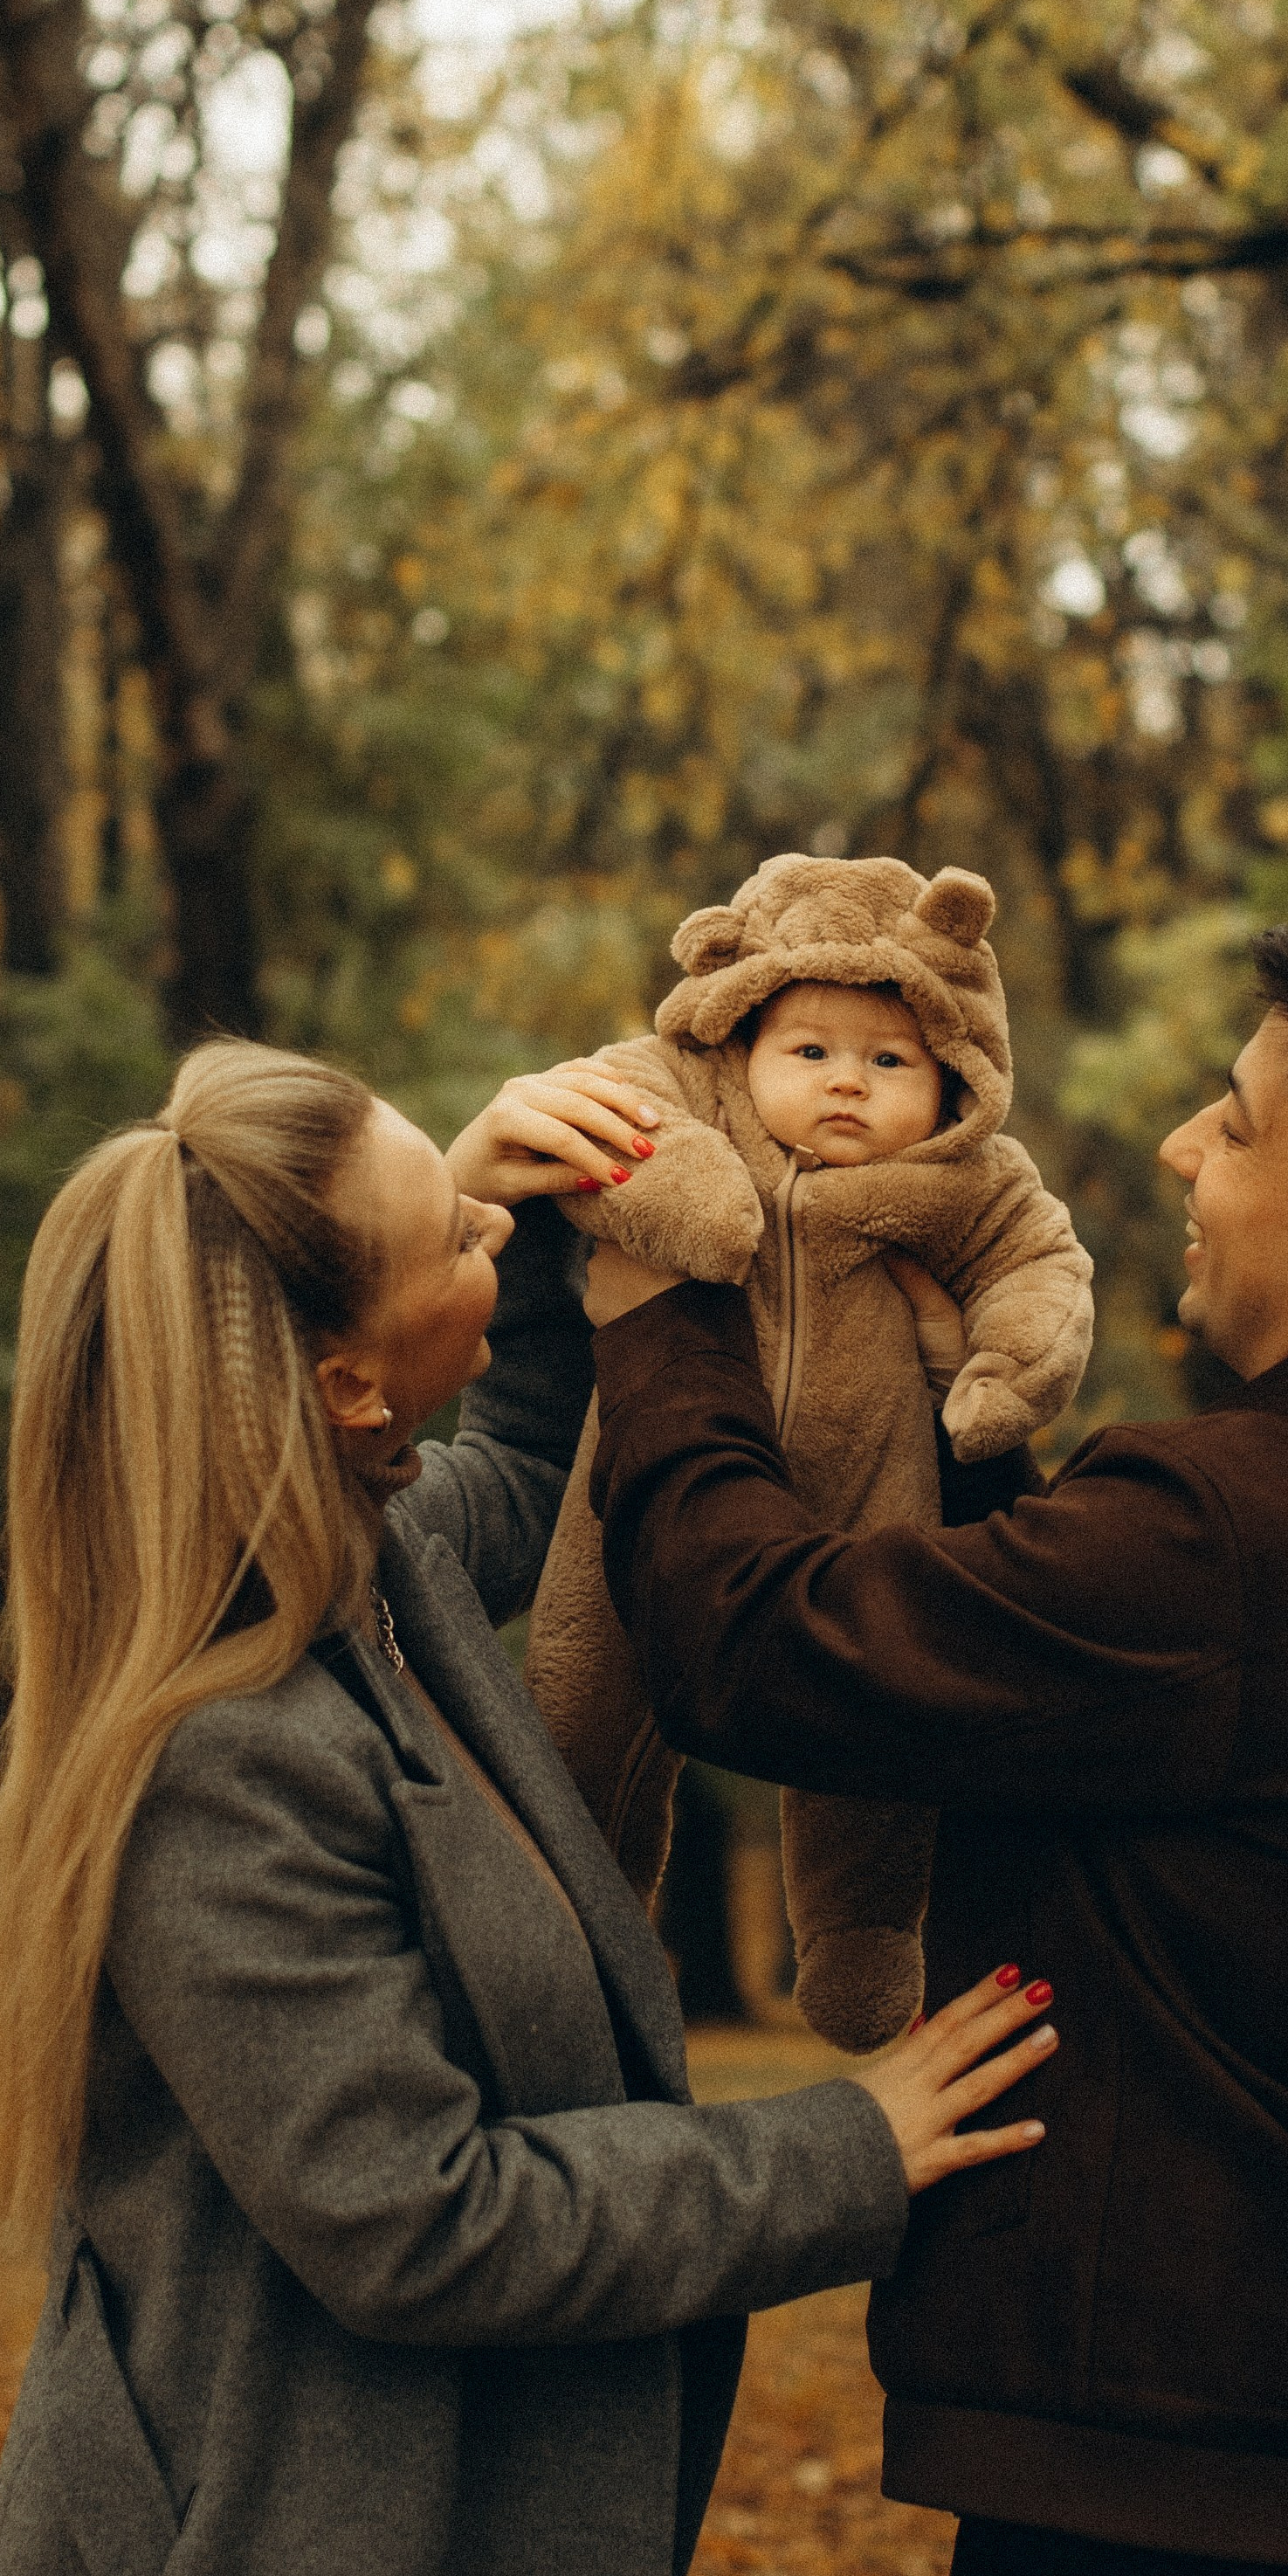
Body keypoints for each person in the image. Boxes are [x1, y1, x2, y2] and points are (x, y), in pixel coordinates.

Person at [584, 918, 1288, 2576]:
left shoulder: (1239, 1529)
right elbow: (1103, 1710)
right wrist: (946, 1422)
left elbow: (755, 1643)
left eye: (1233, 1125)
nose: (1181, 1149)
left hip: (1179, 2524)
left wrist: (662, 1310)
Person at [0, 1038, 1056, 2576]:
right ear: (347, 1383)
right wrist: (842, 2152)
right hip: (277, 2555)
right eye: (459, 1232)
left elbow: (553, 1470)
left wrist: (513, 1196)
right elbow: (422, 2216)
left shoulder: (373, 1564)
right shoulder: (219, 1752)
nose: (497, 1227)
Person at [525, 849, 1092, 2049]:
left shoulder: (959, 1175)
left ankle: (861, 1936)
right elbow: (595, 1110)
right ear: (743, 1040)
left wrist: (999, 1370)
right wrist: (689, 1192)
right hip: (640, 1477)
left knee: (874, 1723)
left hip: (869, 1492)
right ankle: (578, 1911)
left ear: (949, 1075)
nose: (848, 1083)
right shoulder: (695, 1103)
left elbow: (1042, 1265)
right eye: (811, 1050)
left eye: (890, 1060)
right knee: (584, 1687)